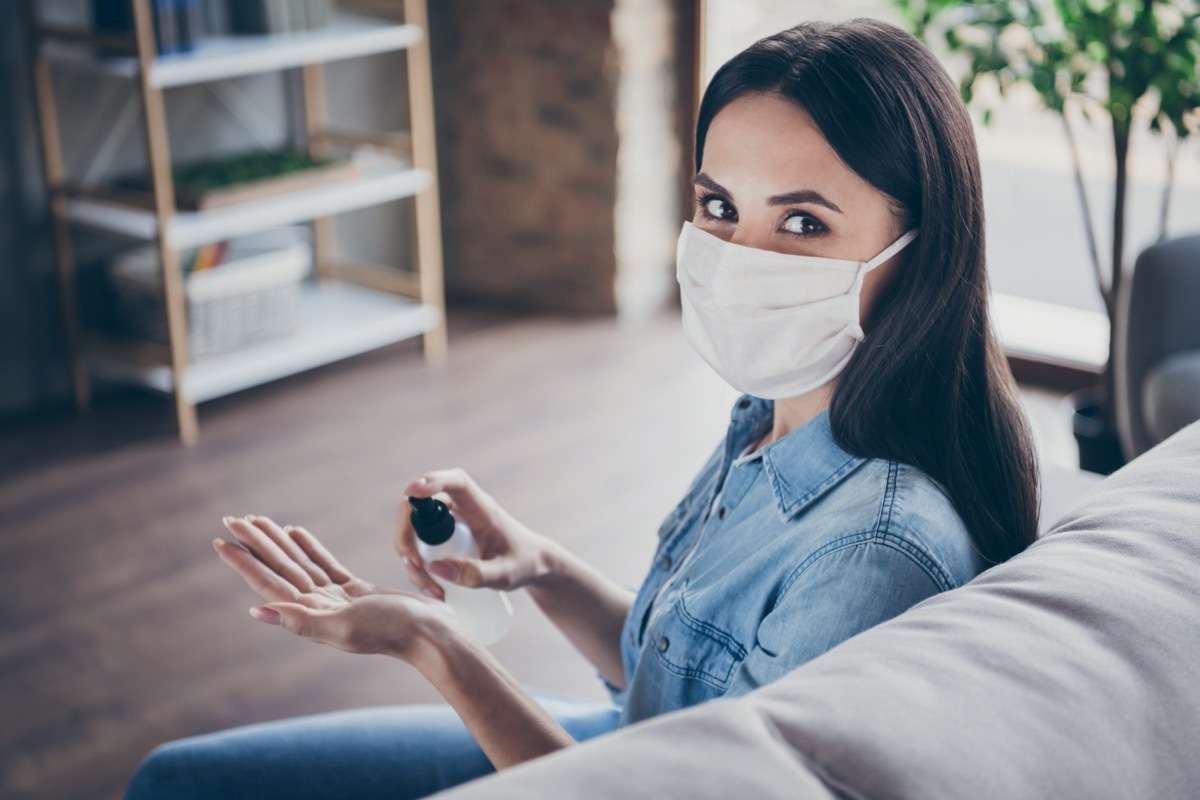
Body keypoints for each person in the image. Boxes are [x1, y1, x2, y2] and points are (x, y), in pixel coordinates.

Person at [126, 17, 1040, 800]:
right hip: (622, 743)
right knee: (182, 778)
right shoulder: (777, 413)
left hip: (611, 774)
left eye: (801, 223)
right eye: (718, 205)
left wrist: (432, 643)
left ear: (920, 250)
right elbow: (672, 684)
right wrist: (543, 568)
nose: (735, 255)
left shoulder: (875, 554)